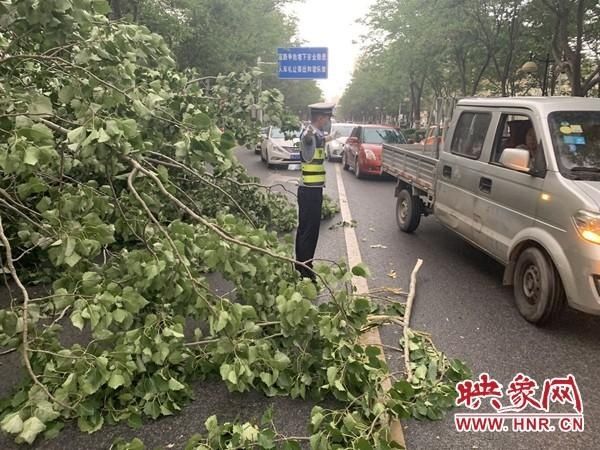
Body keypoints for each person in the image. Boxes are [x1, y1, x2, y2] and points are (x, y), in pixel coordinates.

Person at [295, 102, 338, 281]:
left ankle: (302, 265)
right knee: (309, 231)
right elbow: (308, 140)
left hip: (311, 190)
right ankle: (305, 269)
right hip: (310, 192)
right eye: (327, 118)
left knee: (306, 229)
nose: (328, 121)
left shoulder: (316, 135)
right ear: (320, 118)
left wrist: (331, 137)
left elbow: (319, 139)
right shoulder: (309, 134)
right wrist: (310, 135)